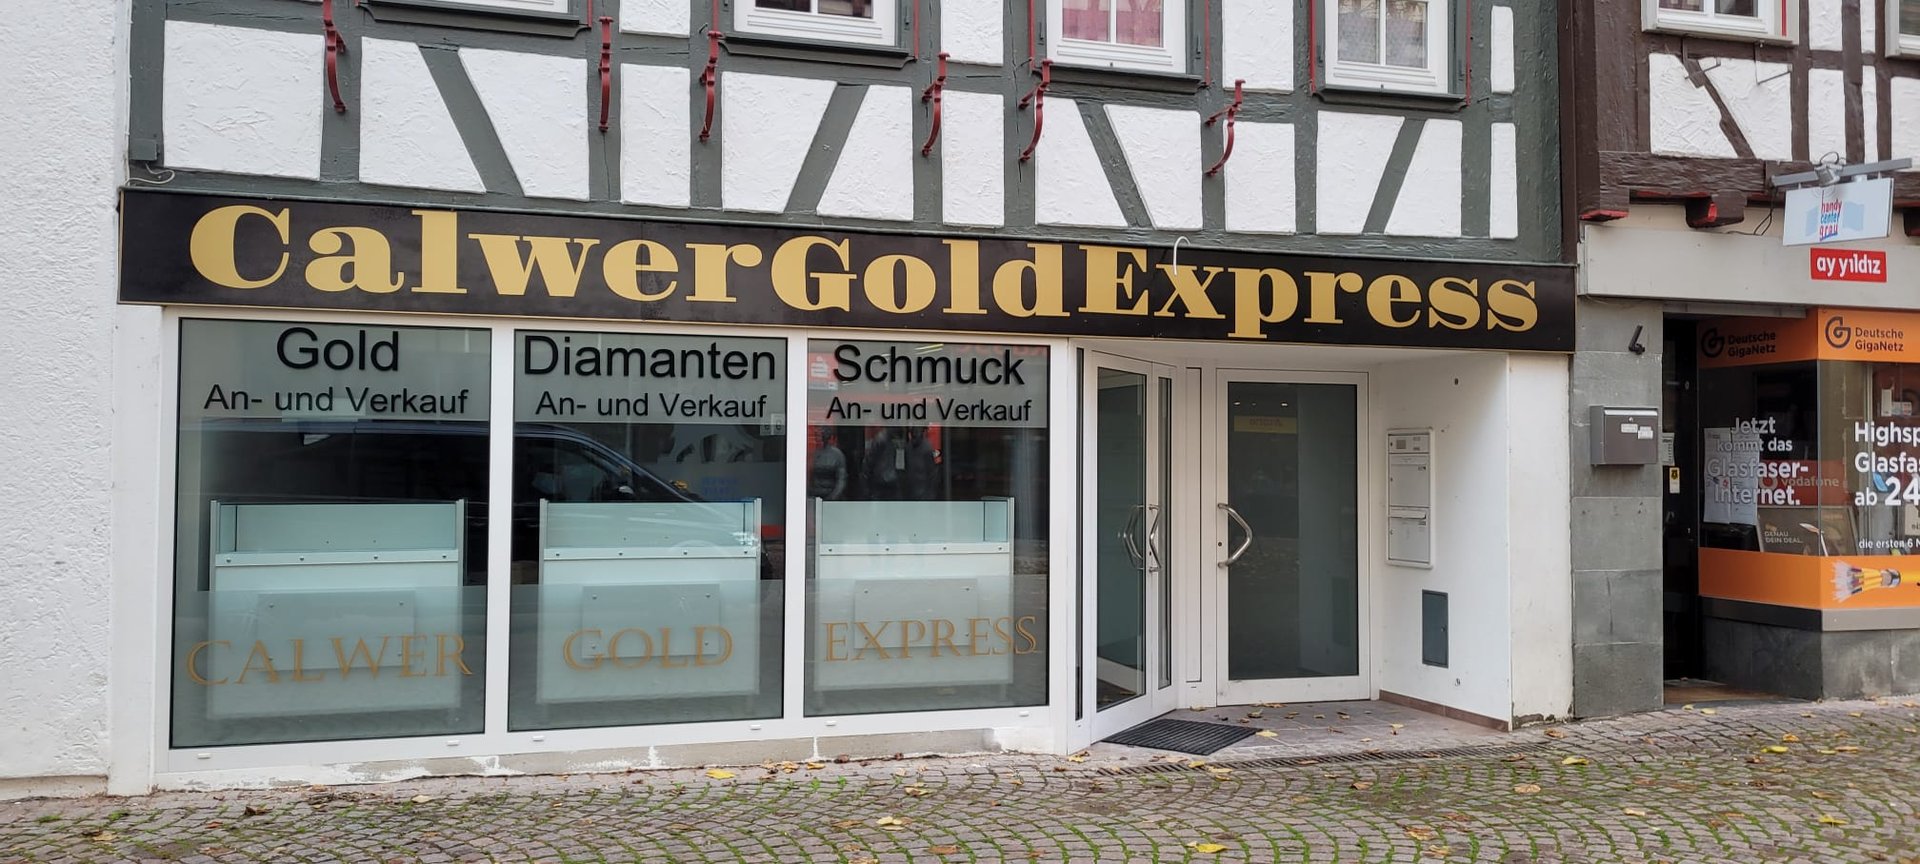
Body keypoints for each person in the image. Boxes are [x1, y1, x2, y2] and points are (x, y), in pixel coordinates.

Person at [808, 429, 847, 500]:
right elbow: (808, 477)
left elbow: (841, 480)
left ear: (826, 437)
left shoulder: (837, 455)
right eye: (816, 436)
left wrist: (832, 497)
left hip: (831, 494)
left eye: (819, 436)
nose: (817, 438)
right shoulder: (813, 453)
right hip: (814, 494)